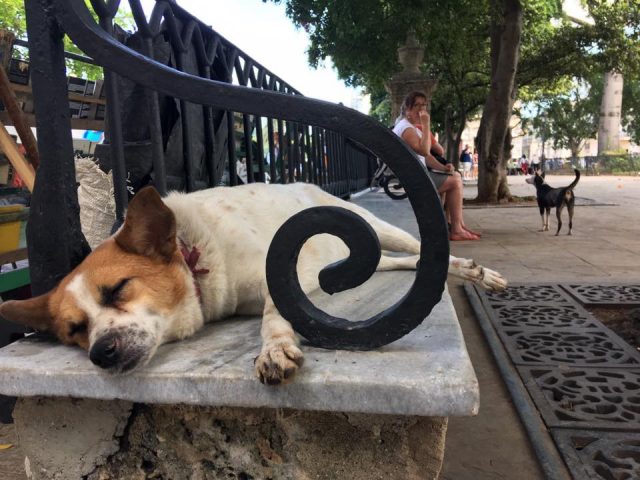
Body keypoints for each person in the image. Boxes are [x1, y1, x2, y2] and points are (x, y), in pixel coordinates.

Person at [393, 91, 480, 241]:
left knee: (454, 176)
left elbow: (427, 157)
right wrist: (426, 125)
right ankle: (456, 229)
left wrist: (442, 168)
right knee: (456, 181)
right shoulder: (406, 129)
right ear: (407, 109)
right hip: (413, 178)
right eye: (416, 105)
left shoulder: (410, 127)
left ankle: (456, 225)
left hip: (416, 173)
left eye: (423, 105)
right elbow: (425, 150)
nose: (421, 109)